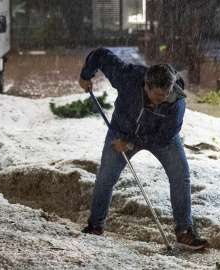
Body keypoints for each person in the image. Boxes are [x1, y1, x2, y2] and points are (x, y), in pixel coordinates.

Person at [78, 47, 210, 250]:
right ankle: (95, 224)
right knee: (106, 177)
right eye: (158, 95)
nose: (163, 99)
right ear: (146, 86)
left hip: (161, 137)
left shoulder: (175, 100)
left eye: (167, 93)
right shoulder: (128, 76)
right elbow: (101, 54)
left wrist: (131, 143)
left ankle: (184, 231)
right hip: (122, 132)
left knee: (180, 175)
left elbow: (164, 136)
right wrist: (86, 75)